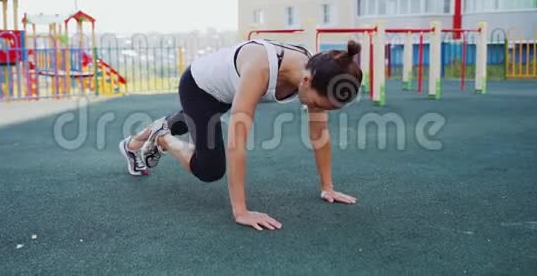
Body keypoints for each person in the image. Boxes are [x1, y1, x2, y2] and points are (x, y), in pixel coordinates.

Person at [119, 38, 363, 231]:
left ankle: (131, 145)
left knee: (184, 123)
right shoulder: (260, 69)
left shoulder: (317, 71)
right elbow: (237, 143)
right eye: (319, 104)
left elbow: (319, 135)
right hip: (198, 87)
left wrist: (327, 187)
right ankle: (163, 138)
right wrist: (241, 211)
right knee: (209, 168)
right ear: (307, 81)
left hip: (225, 93)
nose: (318, 110)